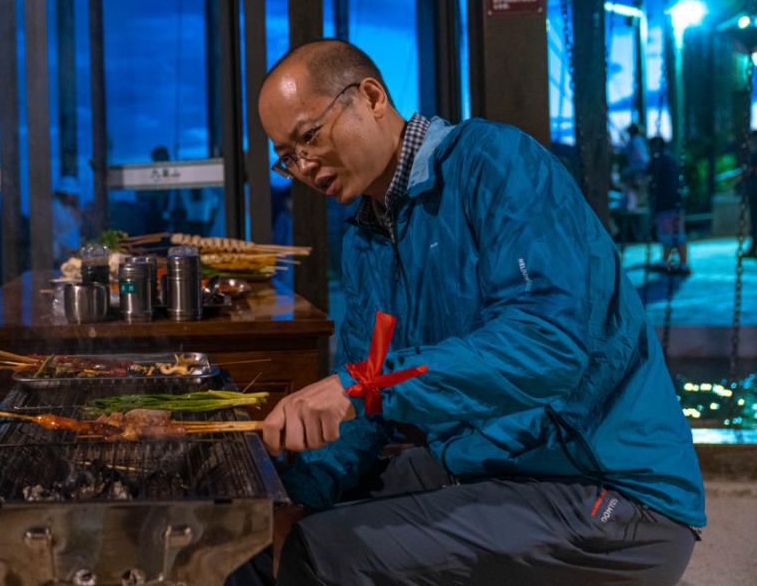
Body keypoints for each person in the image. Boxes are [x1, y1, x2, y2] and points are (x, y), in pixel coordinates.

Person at [228, 40, 704, 586]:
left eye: (309, 137)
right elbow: (370, 398)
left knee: (319, 555)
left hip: (607, 486)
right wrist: (296, 489)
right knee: (260, 540)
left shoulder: (496, 162)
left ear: (372, 97)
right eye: (287, 157)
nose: (305, 166)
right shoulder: (366, 238)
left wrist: (358, 387)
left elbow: (547, 344)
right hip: (490, 465)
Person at [647, 136, 690, 274]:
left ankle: (668, 263)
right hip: (675, 203)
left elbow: (648, 179)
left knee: (668, 234)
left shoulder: (657, 161)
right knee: (677, 234)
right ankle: (681, 264)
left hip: (664, 204)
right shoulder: (670, 160)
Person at [741, 129, 757, 258]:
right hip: (753, 191)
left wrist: (749, 171)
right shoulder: (752, 154)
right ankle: (753, 246)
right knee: (754, 220)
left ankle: (754, 247)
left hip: (755, 191)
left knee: (755, 220)